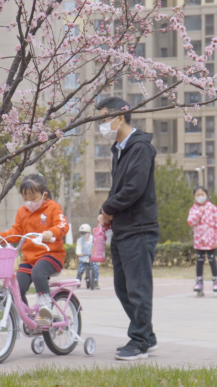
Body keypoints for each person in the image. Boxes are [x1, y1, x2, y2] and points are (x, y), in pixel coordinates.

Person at [96, 97, 160, 360]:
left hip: (139, 228)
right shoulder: (119, 149)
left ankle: (139, 342)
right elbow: (118, 188)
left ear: (120, 117)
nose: (101, 124)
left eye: (103, 118)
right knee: (123, 287)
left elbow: (133, 188)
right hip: (123, 228)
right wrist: (107, 213)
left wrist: (108, 208)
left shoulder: (140, 148)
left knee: (138, 288)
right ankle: (148, 336)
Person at [0, 174, 69, 326]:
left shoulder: (53, 208)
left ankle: (45, 309)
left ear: (44, 194)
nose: (29, 202)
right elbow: (15, 232)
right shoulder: (22, 212)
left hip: (51, 256)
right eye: (25, 198)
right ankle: (29, 320)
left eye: (33, 197)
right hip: (29, 260)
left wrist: (51, 232)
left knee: (38, 272)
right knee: (18, 287)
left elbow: (63, 225)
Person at [186, 186, 217, 294]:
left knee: (212, 260)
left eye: (202, 195)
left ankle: (216, 282)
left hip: (211, 240)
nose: (200, 197)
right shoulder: (193, 209)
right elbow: (190, 222)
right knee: (200, 261)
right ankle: (199, 283)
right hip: (199, 241)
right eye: (198, 195)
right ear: (194, 197)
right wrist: (199, 212)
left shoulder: (213, 208)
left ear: (206, 195)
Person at [75, 224, 100, 289]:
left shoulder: (94, 239)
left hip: (93, 258)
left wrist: (97, 252)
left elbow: (97, 246)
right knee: (80, 270)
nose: (83, 234)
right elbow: (78, 247)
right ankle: (78, 281)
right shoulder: (80, 240)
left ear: (89, 233)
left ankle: (95, 282)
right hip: (84, 258)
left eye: (84, 233)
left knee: (96, 269)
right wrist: (79, 253)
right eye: (82, 233)